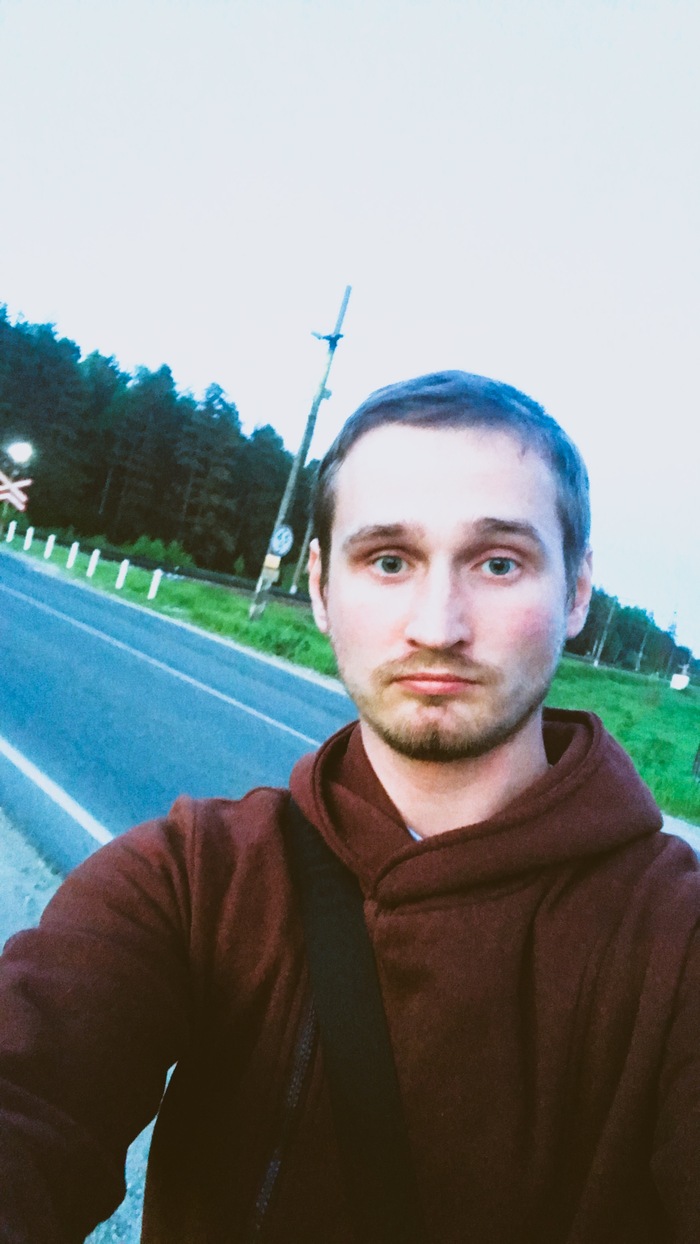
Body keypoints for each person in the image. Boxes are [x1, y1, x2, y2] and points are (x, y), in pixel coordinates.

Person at [1, 370, 699, 1243]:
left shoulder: (677, 941)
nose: (438, 626)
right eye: (389, 561)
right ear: (323, 588)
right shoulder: (193, 880)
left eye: (498, 563)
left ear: (578, 591)